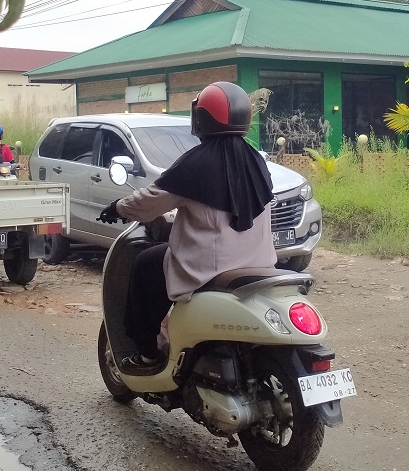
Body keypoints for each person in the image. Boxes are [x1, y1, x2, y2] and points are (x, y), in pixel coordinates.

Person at [99, 82, 277, 371]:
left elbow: (150, 202)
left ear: (201, 118)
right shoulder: (255, 160)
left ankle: (146, 353)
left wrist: (118, 207)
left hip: (210, 268)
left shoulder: (196, 164)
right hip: (259, 265)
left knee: (146, 264)